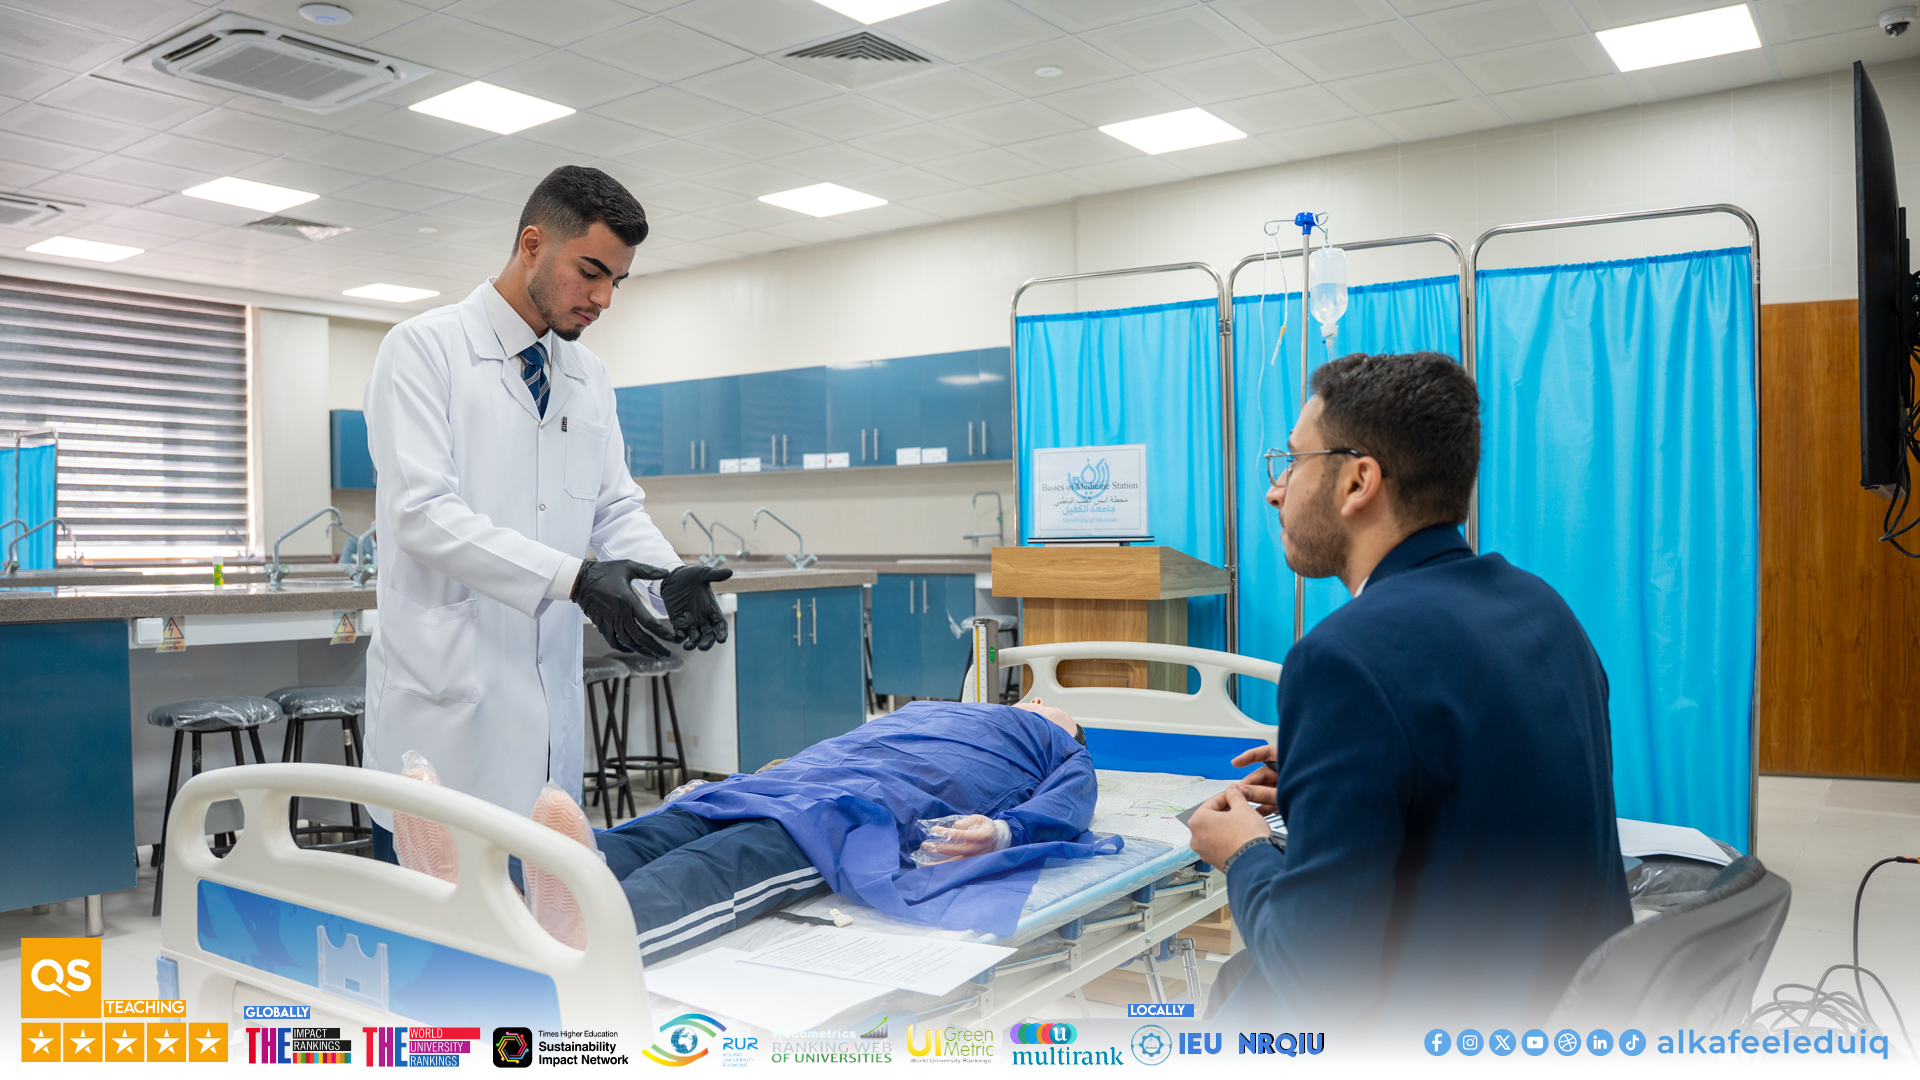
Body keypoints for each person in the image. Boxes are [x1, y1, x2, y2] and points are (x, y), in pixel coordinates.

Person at [1184, 351, 1630, 1031]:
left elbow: (1315, 976)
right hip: (1561, 1014)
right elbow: (1487, 792)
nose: (1275, 492)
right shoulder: (1542, 609)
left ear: (1358, 481)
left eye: (1292, 462)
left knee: (1243, 989)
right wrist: (1326, 780)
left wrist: (1241, 850)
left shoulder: (1341, 660)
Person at [361, 166, 731, 859]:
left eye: (617, 281)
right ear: (532, 244)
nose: (603, 298)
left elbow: (613, 508)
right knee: (435, 922)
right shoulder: (423, 350)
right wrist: (575, 579)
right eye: (590, 272)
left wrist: (668, 578)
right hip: (443, 721)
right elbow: (421, 512)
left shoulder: (589, 376)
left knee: (542, 914)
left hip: (548, 737)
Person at [394, 699, 1108, 962]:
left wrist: (1004, 832)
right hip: (785, 783)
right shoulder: (927, 709)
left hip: (845, 814)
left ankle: (592, 930)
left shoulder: (1058, 749)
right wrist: (742, 778)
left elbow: (1069, 808)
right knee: (654, 834)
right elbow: (836, 745)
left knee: (719, 864)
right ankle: (485, 885)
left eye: (1052, 706)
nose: (1038, 700)